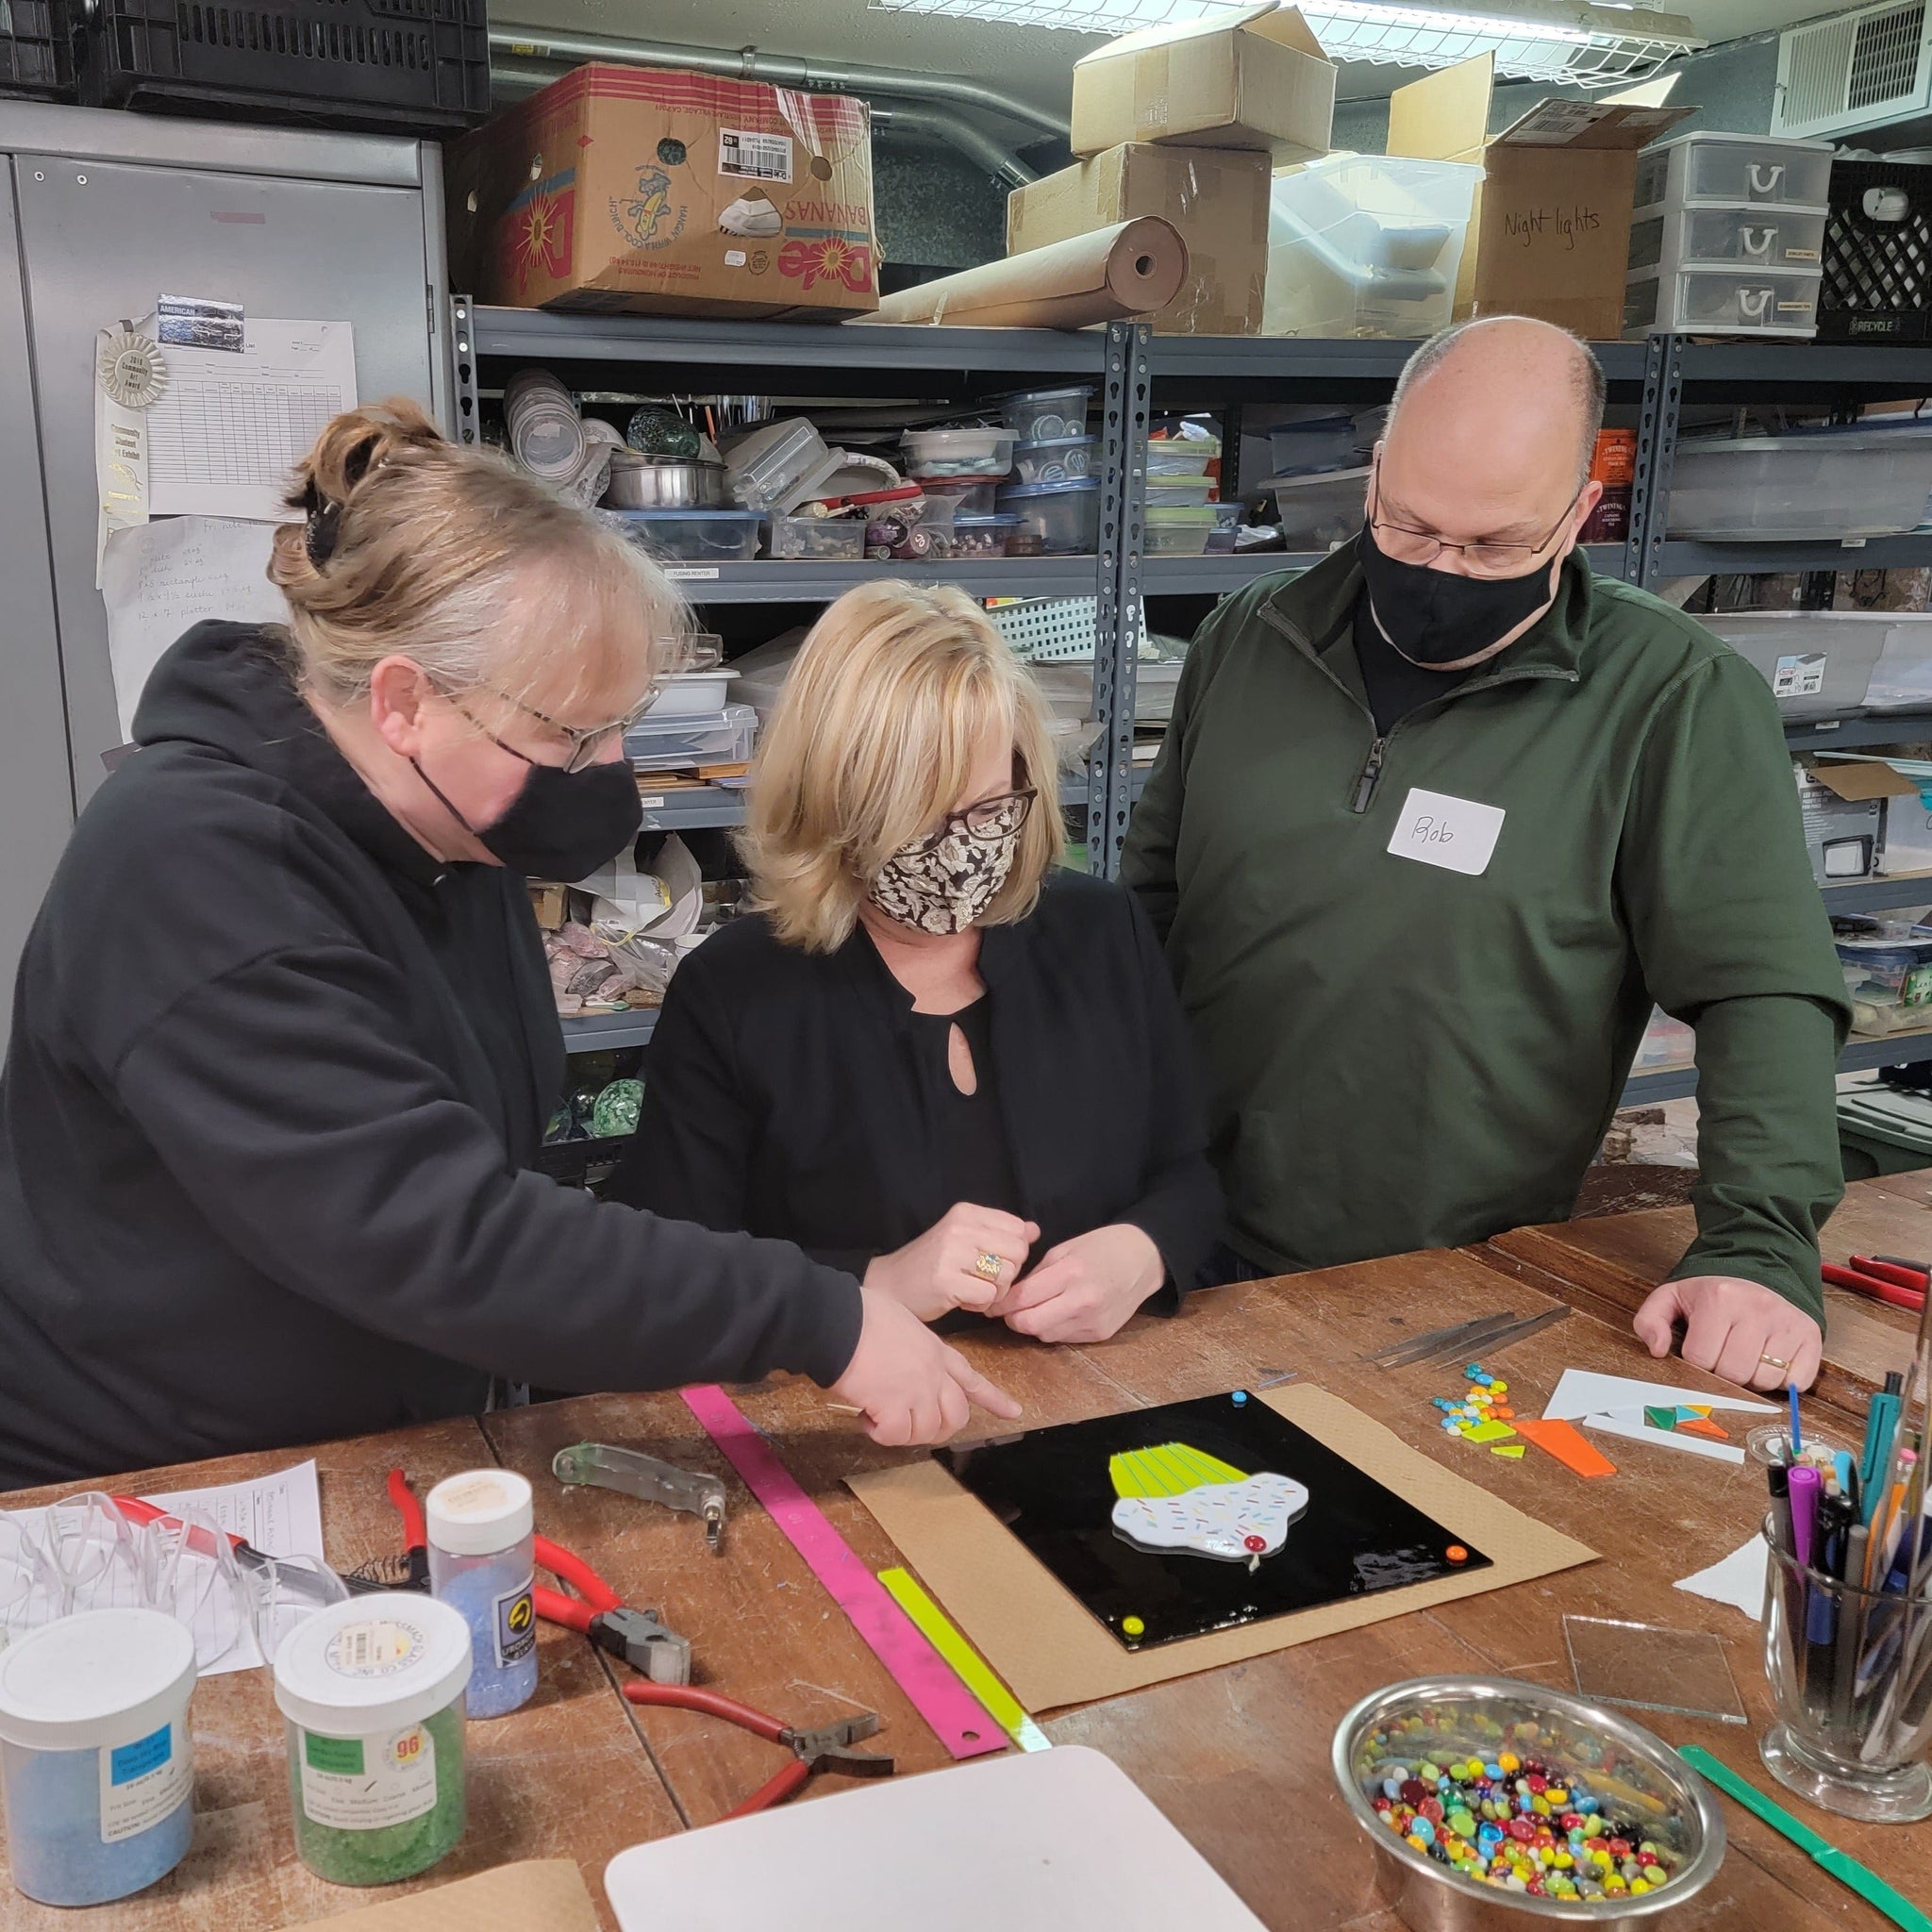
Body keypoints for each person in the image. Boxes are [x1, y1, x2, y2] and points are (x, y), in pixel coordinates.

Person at [0, 403, 1016, 1490]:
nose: (608, 766)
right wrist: (827, 1316)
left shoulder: (445, 828)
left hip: (382, 1429)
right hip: (158, 1474)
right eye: (570, 735)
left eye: (621, 721)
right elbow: (439, 1231)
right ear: (403, 702)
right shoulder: (192, 870)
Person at [1123, 316, 1849, 1393]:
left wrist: (1756, 1242)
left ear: (1577, 517)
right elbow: (1149, 903)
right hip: (1163, 1236)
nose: (1440, 569)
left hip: (1444, 1277)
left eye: (1492, 544)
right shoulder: (1249, 636)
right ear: (1373, 475)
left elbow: (1762, 989)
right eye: (1410, 526)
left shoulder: (1670, 699)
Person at [607, 581, 1219, 1342]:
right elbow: (669, 1273)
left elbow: (1191, 1175)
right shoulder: (737, 994)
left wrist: (1144, 1252)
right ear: (836, 810)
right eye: (918, 819)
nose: (962, 854)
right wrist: (873, 1283)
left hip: (1096, 1394)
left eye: (991, 808)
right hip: (849, 1417)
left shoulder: (1100, 934)